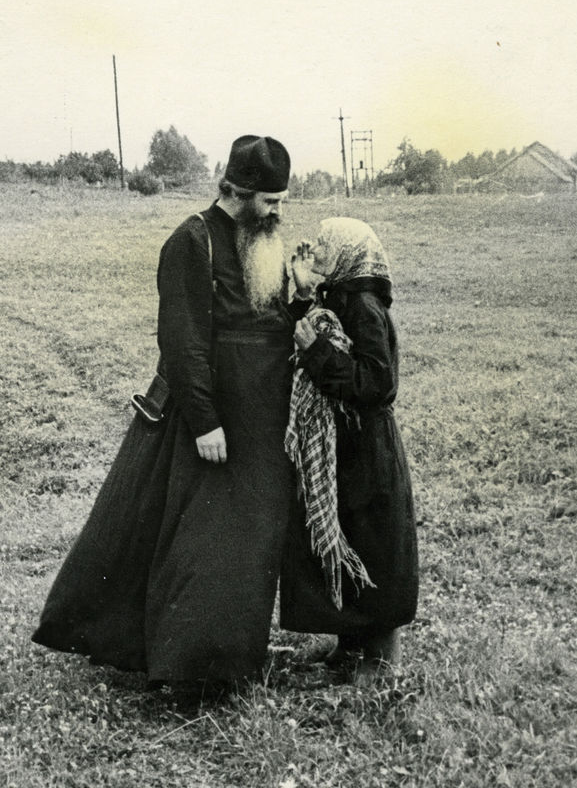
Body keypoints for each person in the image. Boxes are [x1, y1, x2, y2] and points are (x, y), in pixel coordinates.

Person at [32, 135, 313, 695]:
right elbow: (182, 341)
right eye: (270, 202)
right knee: (203, 542)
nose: (278, 213)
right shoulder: (191, 240)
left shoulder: (263, 240)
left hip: (261, 427)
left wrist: (302, 297)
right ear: (237, 191)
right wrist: (205, 421)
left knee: (251, 540)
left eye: (282, 201)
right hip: (213, 424)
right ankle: (195, 668)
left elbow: (269, 324)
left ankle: (234, 657)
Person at [280, 217, 418, 680]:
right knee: (348, 534)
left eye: (326, 241)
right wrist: (303, 294)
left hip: (368, 448)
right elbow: (303, 337)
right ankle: (350, 646)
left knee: (374, 548)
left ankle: (381, 660)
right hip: (346, 444)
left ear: (347, 253)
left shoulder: (364, 305)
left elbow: (378, 383)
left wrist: (318, 353)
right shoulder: (339, 294)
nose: (316, 245)